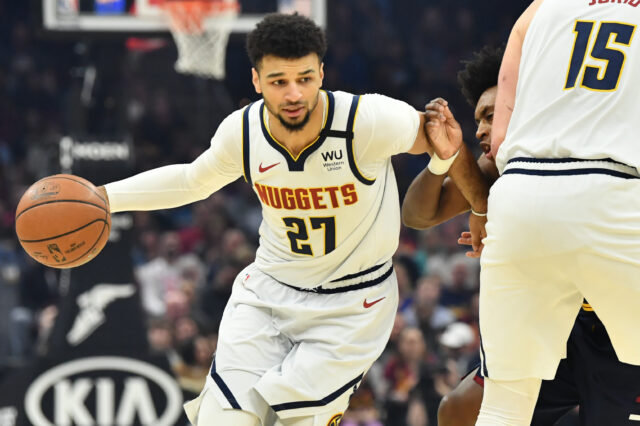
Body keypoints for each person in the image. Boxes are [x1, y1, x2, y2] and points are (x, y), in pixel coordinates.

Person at [97, 13, 489, 426]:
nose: (294, 93)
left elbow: (444, 142)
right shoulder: (243, 132)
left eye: (304, 78)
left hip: (352, 304)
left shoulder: (367, 120)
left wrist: (479, 206)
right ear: (256, 81)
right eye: (278, 81)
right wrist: (104, 198)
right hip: (269, 290)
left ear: (321, 73)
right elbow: (192, 180)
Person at [403, 44, 640, 426]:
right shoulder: (507, 162)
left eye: (492, 116)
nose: (481, 128)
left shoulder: (593, 143)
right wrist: (448, 163)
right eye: (478, 118)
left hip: (620, 329)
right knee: (459, 411)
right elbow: (417, 213)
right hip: (564, 325)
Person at [479, 0, 640, 423]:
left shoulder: (541, 8)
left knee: (503, 404)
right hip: (615, 192)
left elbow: (497, 146)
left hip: (521, 194)